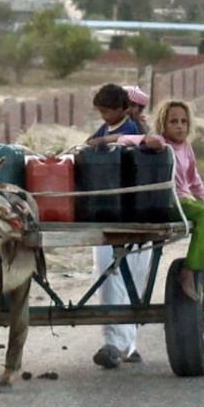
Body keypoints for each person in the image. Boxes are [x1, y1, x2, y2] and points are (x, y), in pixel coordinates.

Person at [115, 100, 204, 301]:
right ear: (164, 124)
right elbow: (128, 140)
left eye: (183, 121)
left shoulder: (186, 147)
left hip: (187, 202)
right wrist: (111, 138)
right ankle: (189, 271)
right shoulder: (160, 142)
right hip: (168, 202)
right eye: (173, 121)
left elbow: (194, 179)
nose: (179, 125)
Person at [85, 84, 149, 369]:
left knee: (133, 279)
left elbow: (132, 143)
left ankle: (128, 343)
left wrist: (104, 143)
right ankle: (114, 343)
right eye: (101, 112)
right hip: (106, 210)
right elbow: (95, 145)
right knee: (108, 276)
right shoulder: (105, 128)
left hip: (133, 212)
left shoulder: (134, 129)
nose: (104, 116)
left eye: (108, 111)